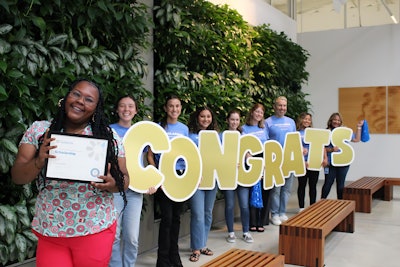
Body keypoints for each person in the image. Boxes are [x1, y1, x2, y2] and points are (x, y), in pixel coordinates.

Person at [11, 79, 129, 267]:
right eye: (76, 94)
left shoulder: (107, 136)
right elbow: (18, 176)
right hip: (51, 230)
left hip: (94, 228)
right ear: (66, 97)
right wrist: (39, 160)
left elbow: (125, 180)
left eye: (89, 99)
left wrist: (113, 183)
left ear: (96, 108)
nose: (80, 101)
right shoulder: (40, 131)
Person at [109, 95, 156, 267]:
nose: (126, 109)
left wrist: (150, 182)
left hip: (135, 191)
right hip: (114, 189)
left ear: (136, 111)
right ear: (117, 109)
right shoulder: (108, 130)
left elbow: (144, 161)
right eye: (122, 106)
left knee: (132, 237)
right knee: (114, 236)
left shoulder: (141, 132)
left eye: (130, 106)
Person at [146, 95, 188, 267]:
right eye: (171, 106)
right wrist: (156, 175)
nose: (174, 109)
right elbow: (149, 154)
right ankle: (162, 260)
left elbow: (188, 153)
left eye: (177, 106)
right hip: (163, 177)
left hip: (179, 176)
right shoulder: (158, 127)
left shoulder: (184, 129)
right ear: (165, 108)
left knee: (176, 218)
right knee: (167, 218)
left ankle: (174, 256)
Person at [187, 106, 220, 262]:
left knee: (207, 213)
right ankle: (195, 248)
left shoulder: (216, 136)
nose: (205, 119)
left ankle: (203, 244)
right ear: (197, 117)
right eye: (202, 116)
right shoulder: (190, 135)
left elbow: (222, 155)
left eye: (208, 116)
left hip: (211, 179)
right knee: (198, 214)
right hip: (195, 180)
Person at [223, 110, 254, 243]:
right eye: (232, 119)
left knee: (244, 205)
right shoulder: (222, 136)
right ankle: (231, 232)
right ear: (227, 120)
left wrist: (249, 159)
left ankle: (246, 232)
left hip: (242, 175)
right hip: (228, 175)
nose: (234, 122)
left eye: (237, 120)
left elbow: (248, 154)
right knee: (229, 205)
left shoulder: (244, 135)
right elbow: (220, 154)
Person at [265, 96, 296, 226]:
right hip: (275, 160)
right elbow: (265, 142)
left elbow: (294, 140)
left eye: (284, 105)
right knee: (276, 189)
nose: (282, 108)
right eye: (280, 105)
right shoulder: (268, 122)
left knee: (287, 189)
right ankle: (274, 213)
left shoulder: (291, 122)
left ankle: (282, 212)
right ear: (274, 106)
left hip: (289, 160)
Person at [321, 112, 363, 199]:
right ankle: (321, 202)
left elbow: (356, 139)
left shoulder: (344, 131)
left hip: (343, 162)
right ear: (331, 120)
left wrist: (358, 127)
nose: (336, 122)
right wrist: (331, 150)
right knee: (328, 183)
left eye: (338, 120)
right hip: (330, 162)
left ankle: (340, 205)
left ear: (341, 122)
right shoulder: (326, 132)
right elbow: (321, 147)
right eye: (335, 119)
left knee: (341, 184)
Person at [242, 103, 270, 233]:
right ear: (252, 112)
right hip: (251, 161)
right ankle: (252, 222)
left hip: (264, 160)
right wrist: (249, 159)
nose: (259, 114)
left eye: (261, 112)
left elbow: (268, 145)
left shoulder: (264, 128)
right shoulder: (244, 128)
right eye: (257, 112)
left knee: (265, 192)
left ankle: (262, 221)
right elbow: (242, 147)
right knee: (253, 192)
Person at [296, 112, 328, 212]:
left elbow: (322, 146)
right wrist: (302, 160)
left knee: (313, 186)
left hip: (314, 162)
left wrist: (325, 158)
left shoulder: (314, 132)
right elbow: (294, 148)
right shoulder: (296, 133)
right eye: (305, 119)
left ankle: (312, 206)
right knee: (302, 185)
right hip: (302, 163)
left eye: (309, 119)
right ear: (300, 120)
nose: (307, 121)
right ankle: (301, 207)